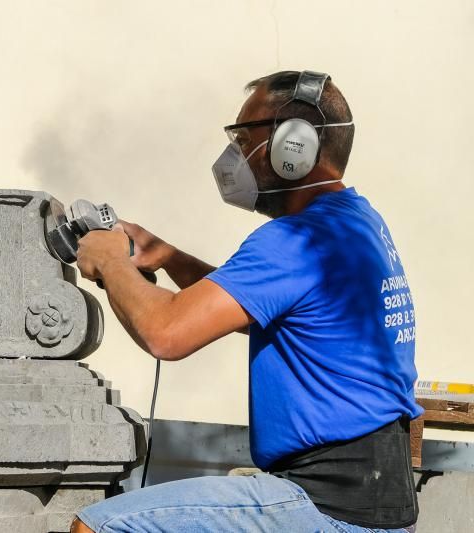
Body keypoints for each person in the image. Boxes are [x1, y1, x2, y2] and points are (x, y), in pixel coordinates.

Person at [70, 71, 421, 532]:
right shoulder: (356, 223)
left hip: (326, 505)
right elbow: (264, 308)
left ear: (293, 146)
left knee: (101, 527)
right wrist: (171, 257)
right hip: (376, 502)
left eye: (244, 135)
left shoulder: (295, 240)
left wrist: (112, 262)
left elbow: (166, 333)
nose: (235, 153)